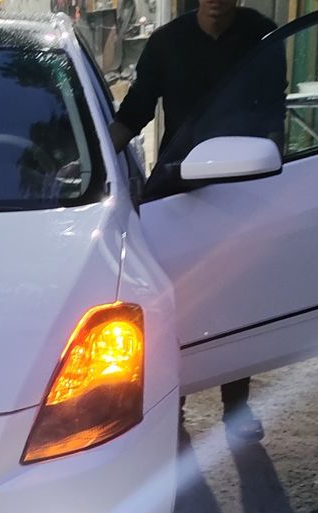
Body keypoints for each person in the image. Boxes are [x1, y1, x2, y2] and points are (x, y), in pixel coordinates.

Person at [109, 0, 280, 444]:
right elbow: (135, 111)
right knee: (175, 301)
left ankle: (236, 409)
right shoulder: (167, 42)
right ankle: (174, 407)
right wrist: (94, 156)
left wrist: (279, 179)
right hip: (177, 187)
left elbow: (274, 117)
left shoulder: (263, 37)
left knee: (238, 299)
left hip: (241, 186)